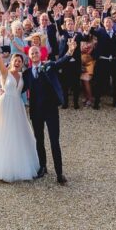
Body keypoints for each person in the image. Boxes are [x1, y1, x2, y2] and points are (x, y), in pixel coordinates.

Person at [0, 32, 42, 183]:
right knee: (4, 132)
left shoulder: (24, 76)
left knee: (18, 133)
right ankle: (1, 165)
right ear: (12, 62)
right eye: (15, 60)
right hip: (5, 104)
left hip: (17, 106)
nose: (18, 62)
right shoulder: (5, 73)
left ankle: (19, 163)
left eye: (20, 61)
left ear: (22, 63)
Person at [22, 39, 75, 185]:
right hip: (36, 111)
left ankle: (59, 172)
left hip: (51, 110)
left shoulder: (49, 66)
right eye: (32, 53)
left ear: (41, 54)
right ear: (29, 56)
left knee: (54, 141)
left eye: (36, 52)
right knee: (39, 140)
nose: (34, 54)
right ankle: (43, 166)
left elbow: (62, 62)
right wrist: (4, 90)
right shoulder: (26, 74)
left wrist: (70, 51)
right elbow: (19, 89)